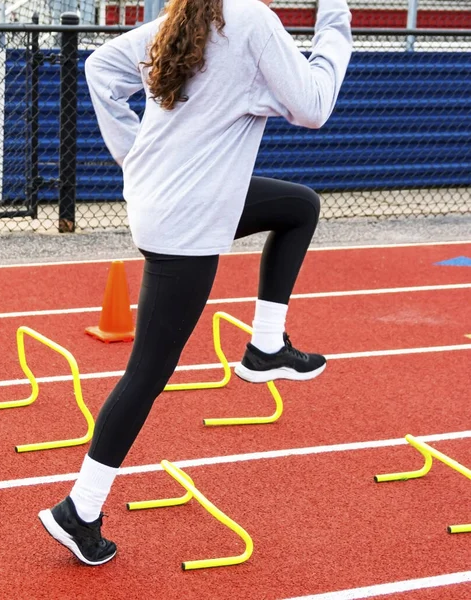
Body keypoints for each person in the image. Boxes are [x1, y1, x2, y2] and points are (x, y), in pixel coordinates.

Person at [39, 0, 352, 565]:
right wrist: (334, 24)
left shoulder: (189, 14)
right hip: (186, 219)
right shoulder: (251, 21)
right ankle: (79, 509)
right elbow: (313, 107)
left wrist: (132, 156)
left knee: (298, 206)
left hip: (176, 197)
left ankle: (266, 346)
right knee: (146, 375)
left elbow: (101, 68)